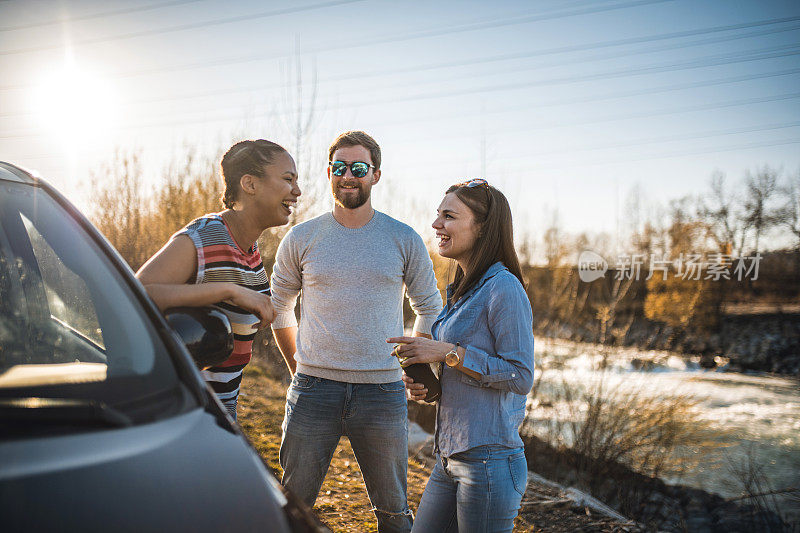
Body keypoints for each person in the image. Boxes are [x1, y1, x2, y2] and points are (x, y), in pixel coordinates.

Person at [270, 130, 442, 533]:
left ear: (376, 175)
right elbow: (278, 308)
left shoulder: (403, 238)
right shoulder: (302, 237)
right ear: (329, 172)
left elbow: (430, 307)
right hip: (313, 389)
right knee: (293, 507)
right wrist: (299, 366)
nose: (349, 176)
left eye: (359, 168)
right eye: (340, 167)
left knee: (394, 513)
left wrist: (413, 366)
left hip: (382, 393)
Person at [388, 179, 534, 533]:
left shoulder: (504, 288)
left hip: (489, 462)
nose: (436, 224)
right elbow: (466, 374)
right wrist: (428, 386)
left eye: (449, 216)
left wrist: (449, 354)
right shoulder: (461, 291)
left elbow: (520, 376)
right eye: (437, 215)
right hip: (448, 456)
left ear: (481, 227)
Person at [136, 139, 300, 419]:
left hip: (222, 416)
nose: (297, 191)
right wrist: (230, 292)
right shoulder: (205, 236)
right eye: (288, 180)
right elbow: (137, 293)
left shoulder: (251, 250)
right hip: (178, 417)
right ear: (250, 184)